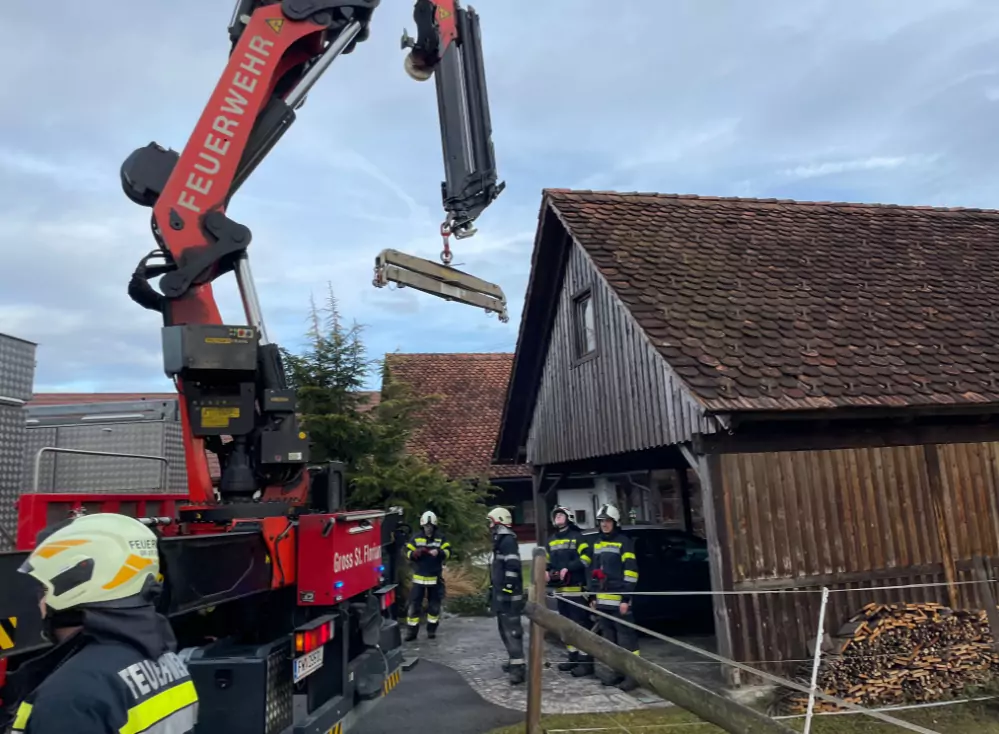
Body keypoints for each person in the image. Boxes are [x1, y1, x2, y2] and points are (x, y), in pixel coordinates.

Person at [2, 512, 197, 734]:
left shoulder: (70, 697)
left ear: (72, 589)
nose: (40, 601)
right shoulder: (163, 654)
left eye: (44, 589)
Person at [587, 503, 640, 691]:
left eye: (608, 521)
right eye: (601, 521)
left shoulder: (624, 542)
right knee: (610, 640)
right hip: (603, 601)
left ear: (615, 522)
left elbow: (631, 572)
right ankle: (617, 672)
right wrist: (592, 595)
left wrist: (626, 598)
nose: (604, 524)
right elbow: (593, 571)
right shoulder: (597, 543)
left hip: (619, 600)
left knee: (626, 640)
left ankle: (633, 675)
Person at [545, 505, 591, 674]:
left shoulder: (577, 537)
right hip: (561, 590)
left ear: (569, 518)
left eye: (561, 515)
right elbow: (548, 561)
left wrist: (569, 568)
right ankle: (573, 657)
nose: (557, 517)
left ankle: (586, 662)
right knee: (565, 626)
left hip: (576, 589)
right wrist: (546, 571)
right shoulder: (551, 540)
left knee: (580, 625)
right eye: (555, 515)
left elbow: (586, 558)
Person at [486, 506, 525, 685]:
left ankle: (518, 668)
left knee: (513, 631)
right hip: (502, 594)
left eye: (491, 522)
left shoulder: (507, 540)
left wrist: (508, 587)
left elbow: (513, 566)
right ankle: (513, 660)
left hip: (510, 596)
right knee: (504, 630)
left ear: (499, 521)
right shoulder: (500, 540)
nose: (489, 526)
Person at [403, 510, 451, 641]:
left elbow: (448, 551)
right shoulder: (416, 538)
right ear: (422, 526)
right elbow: (407, 552)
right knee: (414, 606)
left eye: (430, 527)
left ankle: (431, 631)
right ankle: (411, 633)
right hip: (419, 578)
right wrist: (414, 554)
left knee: (434, 606)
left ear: (434, 526)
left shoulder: (440, 538)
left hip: (434, 578)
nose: (428, 529)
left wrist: (440, 552)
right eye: (426, 526)